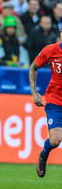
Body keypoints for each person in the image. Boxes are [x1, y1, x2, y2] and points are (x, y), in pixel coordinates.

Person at [30, 29, 62, 178]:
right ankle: (44, 153)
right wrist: (34, 92)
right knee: (55, 140)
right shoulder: (50, 50)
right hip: (55, 100)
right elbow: (33, 67)